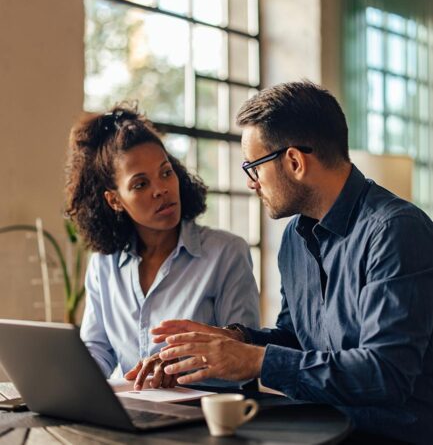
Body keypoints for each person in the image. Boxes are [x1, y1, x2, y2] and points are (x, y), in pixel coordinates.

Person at [150, 82, 433, 443]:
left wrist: (254, 361)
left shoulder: (395, 232)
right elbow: (298, 338)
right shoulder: (294, 240)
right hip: (320, 430)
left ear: (295, 162)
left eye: (253, 166)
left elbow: (385, 374)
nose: (252, 183)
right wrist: (234, 339)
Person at [64, 105, 259, 389]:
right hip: (136, 412)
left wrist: (182, 361)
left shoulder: (227, 253)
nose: (161, 189)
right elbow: (97, 351)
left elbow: (245, 355)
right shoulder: (104, 264)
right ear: (114, 200)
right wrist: (65, 377)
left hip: (204, 415)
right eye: (141, 184)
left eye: (166, 173)